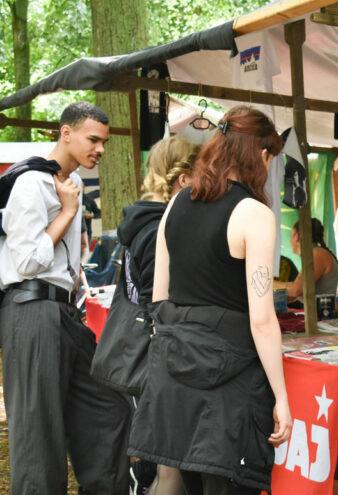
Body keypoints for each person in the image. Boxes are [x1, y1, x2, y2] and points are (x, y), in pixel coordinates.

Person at [128, 106, 292, 495]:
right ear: (261, 155)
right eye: (270, 159)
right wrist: (282, 397)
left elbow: (161, 296)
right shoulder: (254, 213)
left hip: (175, 369)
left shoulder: (176, 204)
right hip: (230, 383)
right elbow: (262, 319)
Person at [0, 102, 131, 493]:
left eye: (104, 142)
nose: (100, 149)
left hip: (64, 314)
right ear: (66, 133)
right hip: (31, 308)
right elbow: (27, 260)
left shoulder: (65, 183)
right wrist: (67, 212)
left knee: (110, 409)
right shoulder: (31, 182)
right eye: (93, 139)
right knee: (39, 434)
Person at [111, 136, 198, 494]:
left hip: (155, 356)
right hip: (157, 358)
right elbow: (156, 302)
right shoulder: (155, 228)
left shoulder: (148, 222)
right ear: (182, 179)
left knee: (169, 462)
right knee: (170, 466)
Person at [279, 218, 338, 304]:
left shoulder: (317, 254)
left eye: (291, 236)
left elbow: (296, 290)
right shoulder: (313, 254)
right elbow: (296, 293)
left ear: (296, 236)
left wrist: (271, 284)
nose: (290, 241)